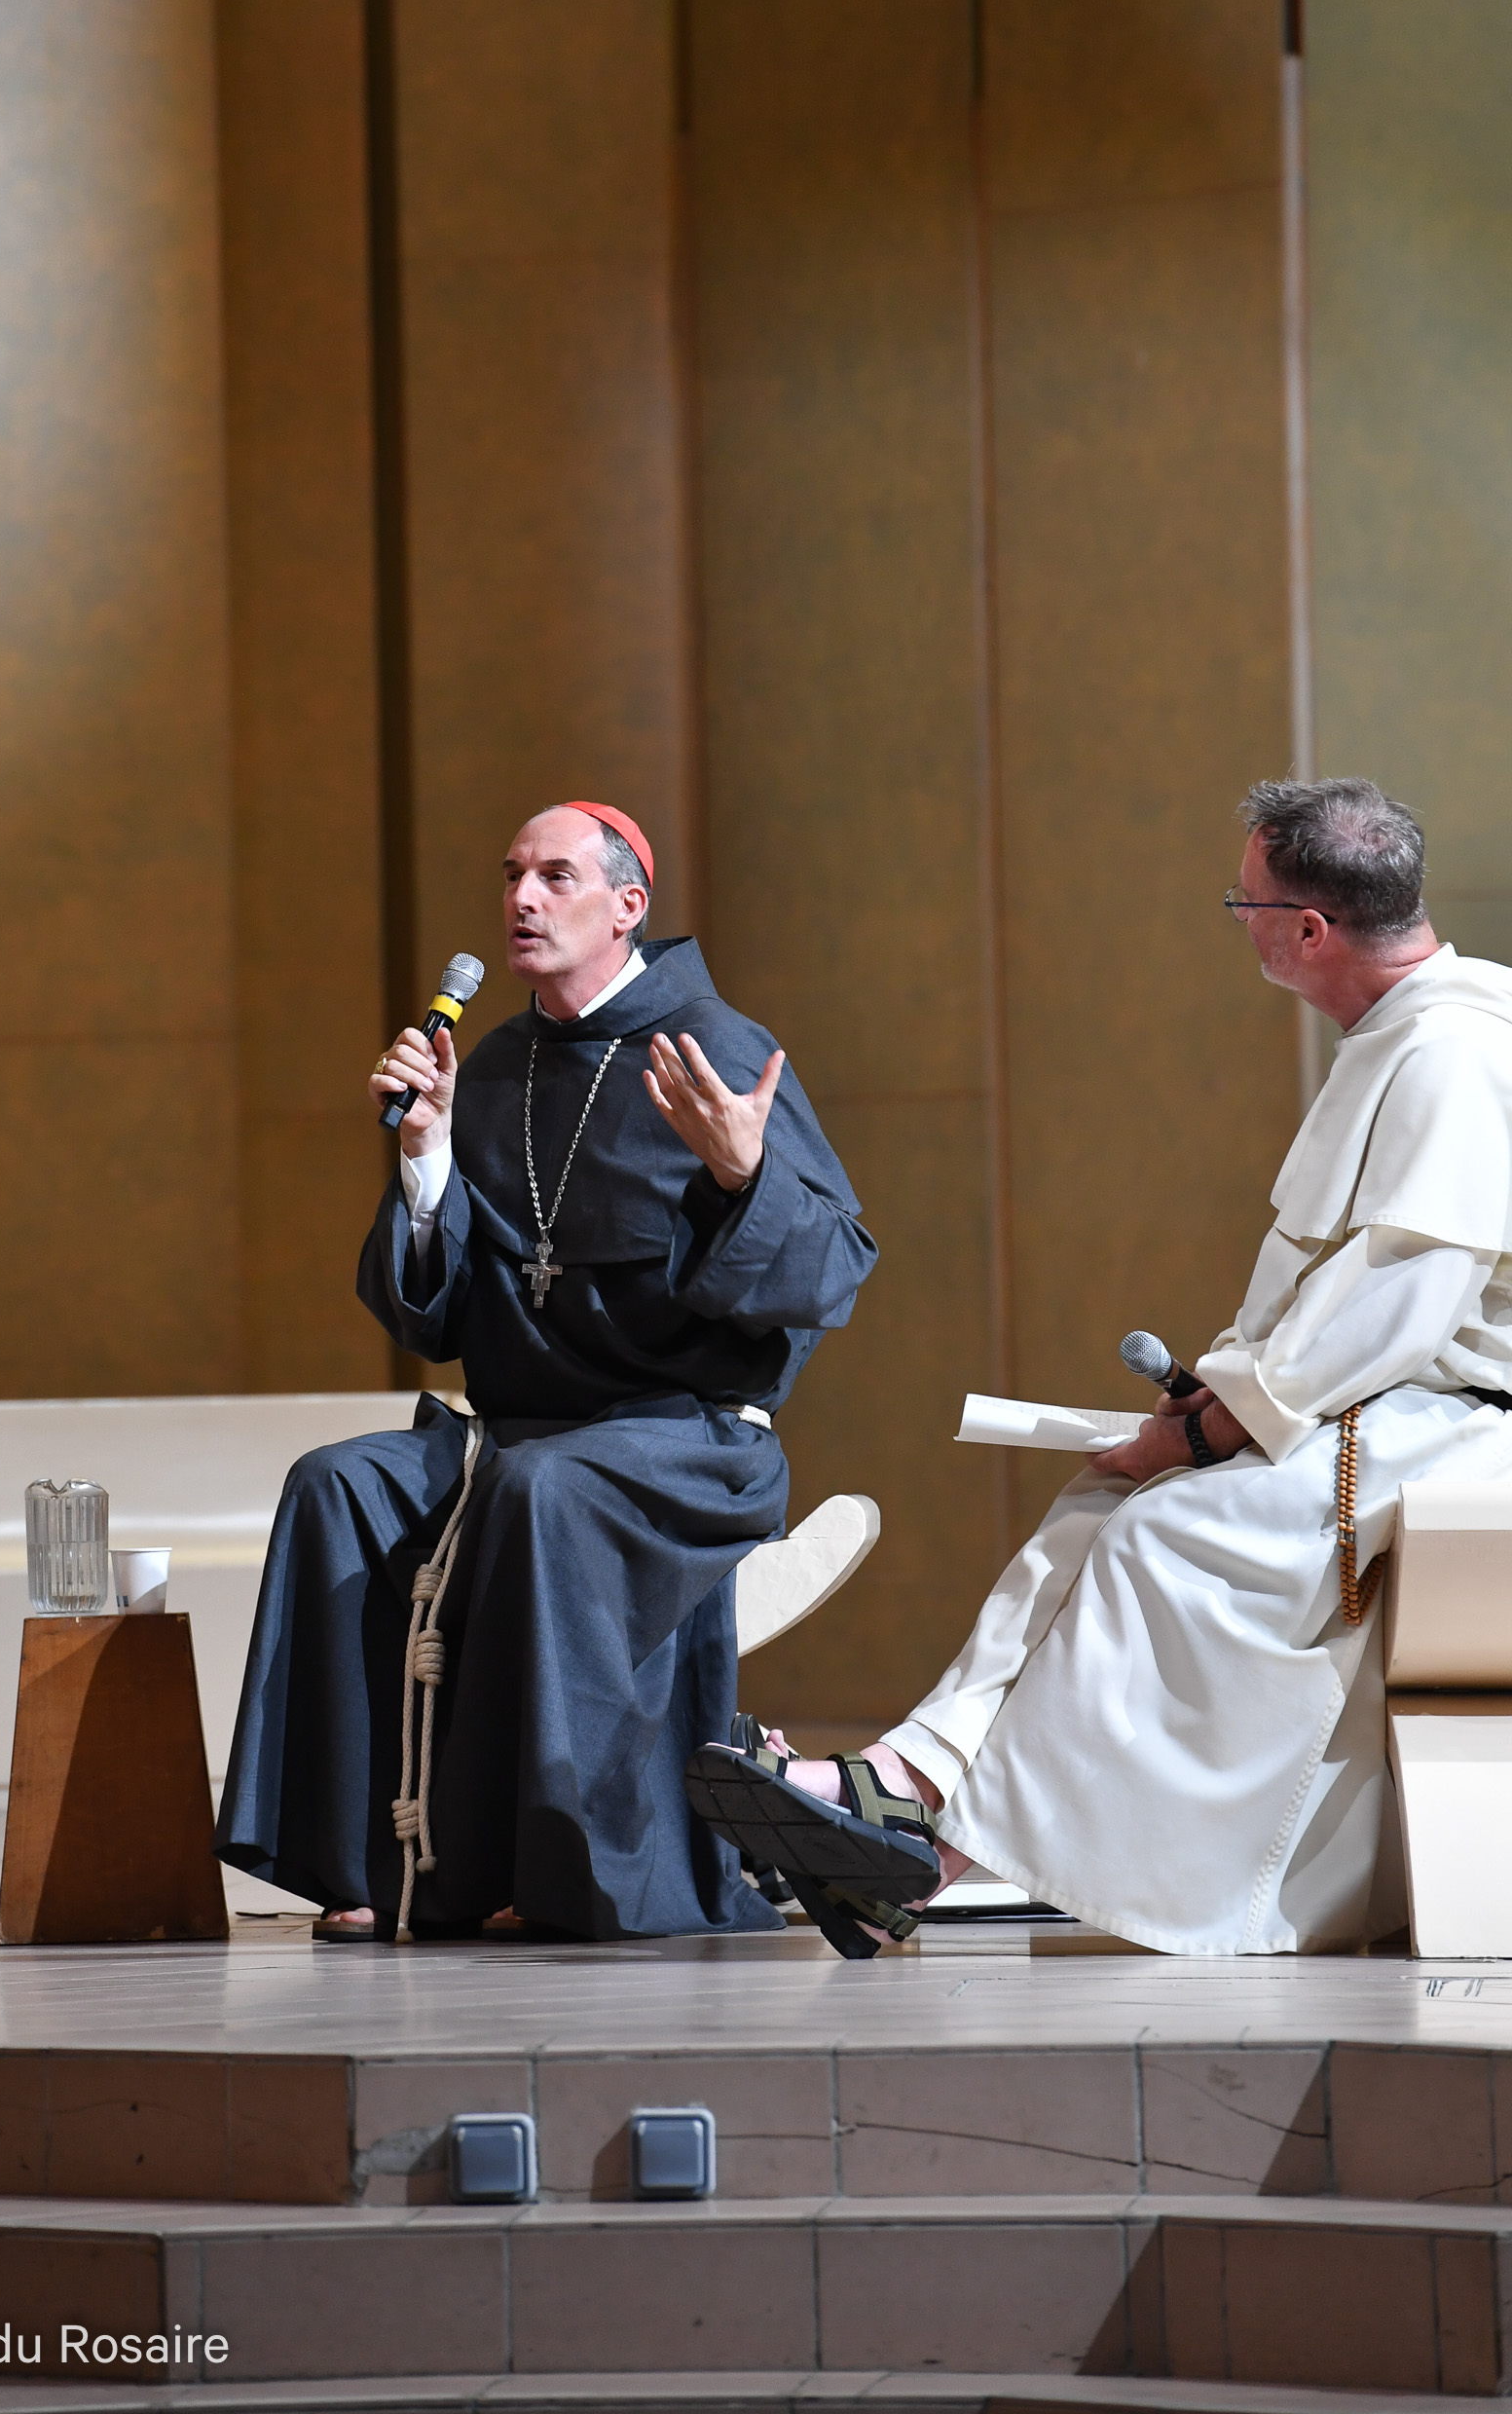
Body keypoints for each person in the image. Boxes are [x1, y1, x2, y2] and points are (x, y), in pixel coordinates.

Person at [696, 776, 1512, 1957]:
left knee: (1162, 1538)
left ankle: (923, 1852)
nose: (1237, 921)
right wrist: (1216, 1401)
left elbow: (1397, 1307)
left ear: (1308, 930)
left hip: (1450, 1426)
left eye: (1243, 903)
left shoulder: (1454, 1051)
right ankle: (901, 1787)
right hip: (1367, 1404)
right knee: (1097, 1504)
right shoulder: (1402, 1034)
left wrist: (1211, 1430)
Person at [216, 800, 877, 1941]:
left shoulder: (712, 1047)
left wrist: (745, 1175)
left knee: (542, 1490)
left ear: (627, 906)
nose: (522, 898)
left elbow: (837, 1270)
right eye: (512, 875)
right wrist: (425, 1156)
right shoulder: (492, 1067)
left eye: (556, 877)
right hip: (518, 1436)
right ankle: (382, 1866)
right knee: (338, 1484)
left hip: (686, 1443)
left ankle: (557, 1867)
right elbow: (428, 1313)